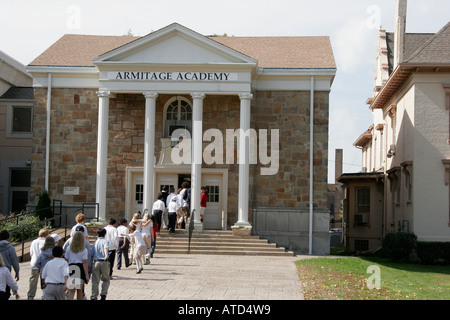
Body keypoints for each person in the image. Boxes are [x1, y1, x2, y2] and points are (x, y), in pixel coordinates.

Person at [65, 231, 89, 300]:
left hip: (71, 267)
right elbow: (84, 262)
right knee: (79, 289)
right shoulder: (84, 250)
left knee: (72, 290)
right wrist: (86, 274)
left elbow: (66, 259)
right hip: (79, 268)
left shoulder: (69, 248)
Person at [27, 227, 49, 300]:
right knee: (44, 279)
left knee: (33, 280)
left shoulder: (34, 242)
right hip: (44, 264)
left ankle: (30, 295)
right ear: (47, 235)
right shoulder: (46, 242)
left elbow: (31, 253)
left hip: (34, 263)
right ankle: (44, 294)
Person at [90, 228, 110, 300]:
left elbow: (91, 254)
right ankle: (103, 294)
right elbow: (106, 248)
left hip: (96, 262)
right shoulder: (105, 241)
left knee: (95, 280)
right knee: (106, 279)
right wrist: (106, 255)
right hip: (104, 261)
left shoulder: (95, 242)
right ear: (105, 234)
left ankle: (94, 295)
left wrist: (90, 263)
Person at [0, 230, 20, 298]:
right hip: (6, 270)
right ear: (8, 238)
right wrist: (17, 272)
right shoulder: (10, 248)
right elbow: (14, 261)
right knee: (6, 290)